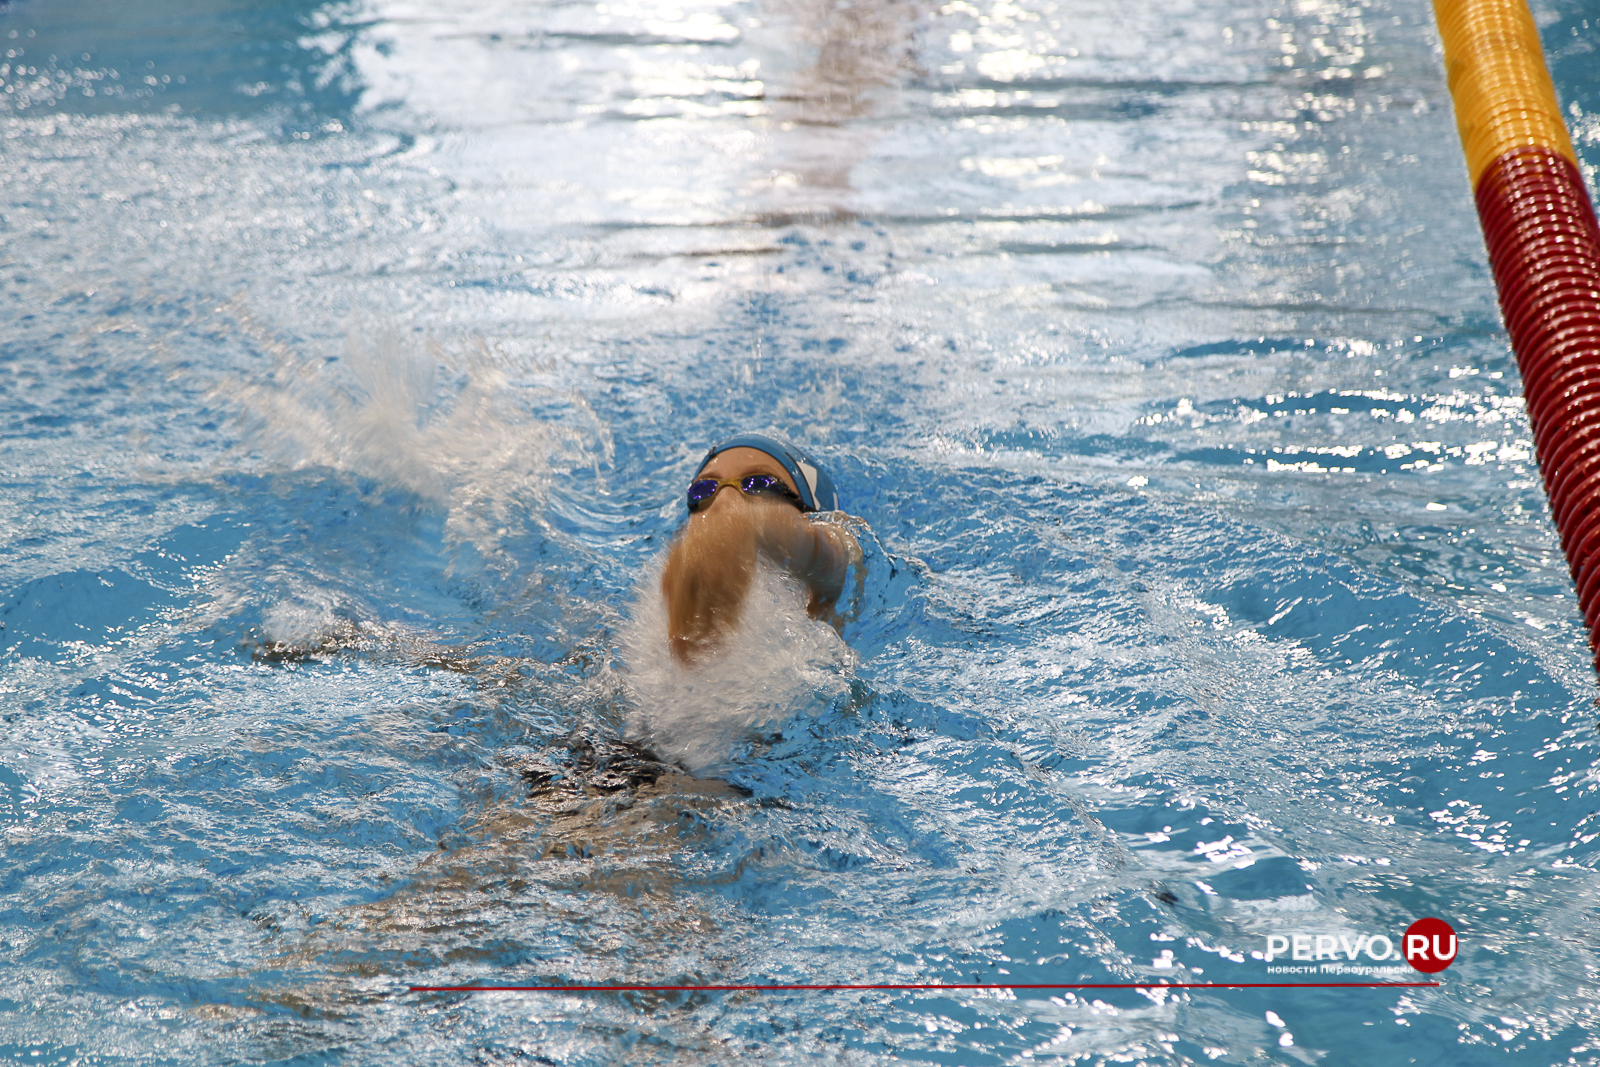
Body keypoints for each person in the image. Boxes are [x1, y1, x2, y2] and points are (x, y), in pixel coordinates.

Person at [660, 433, 860, 665]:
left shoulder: (830, 555)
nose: (724, 499)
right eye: (704, 489)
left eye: (759, 484)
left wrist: (748, 527)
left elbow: (841, 552)